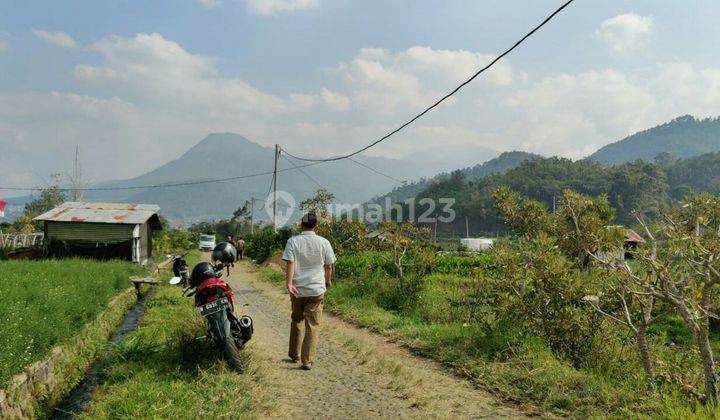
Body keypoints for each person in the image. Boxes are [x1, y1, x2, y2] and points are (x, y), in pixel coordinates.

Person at [282, 212, 335, 370]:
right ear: (316, 226)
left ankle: (294, 353)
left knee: (297, 319)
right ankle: (307, 361)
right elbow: (328, 266)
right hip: (316, 289)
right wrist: (328, 280)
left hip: (298, 289)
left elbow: (290, 263)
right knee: (312, 324)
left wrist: (289, 283)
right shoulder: (324, 242)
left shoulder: (293, 241)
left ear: (301, 224)